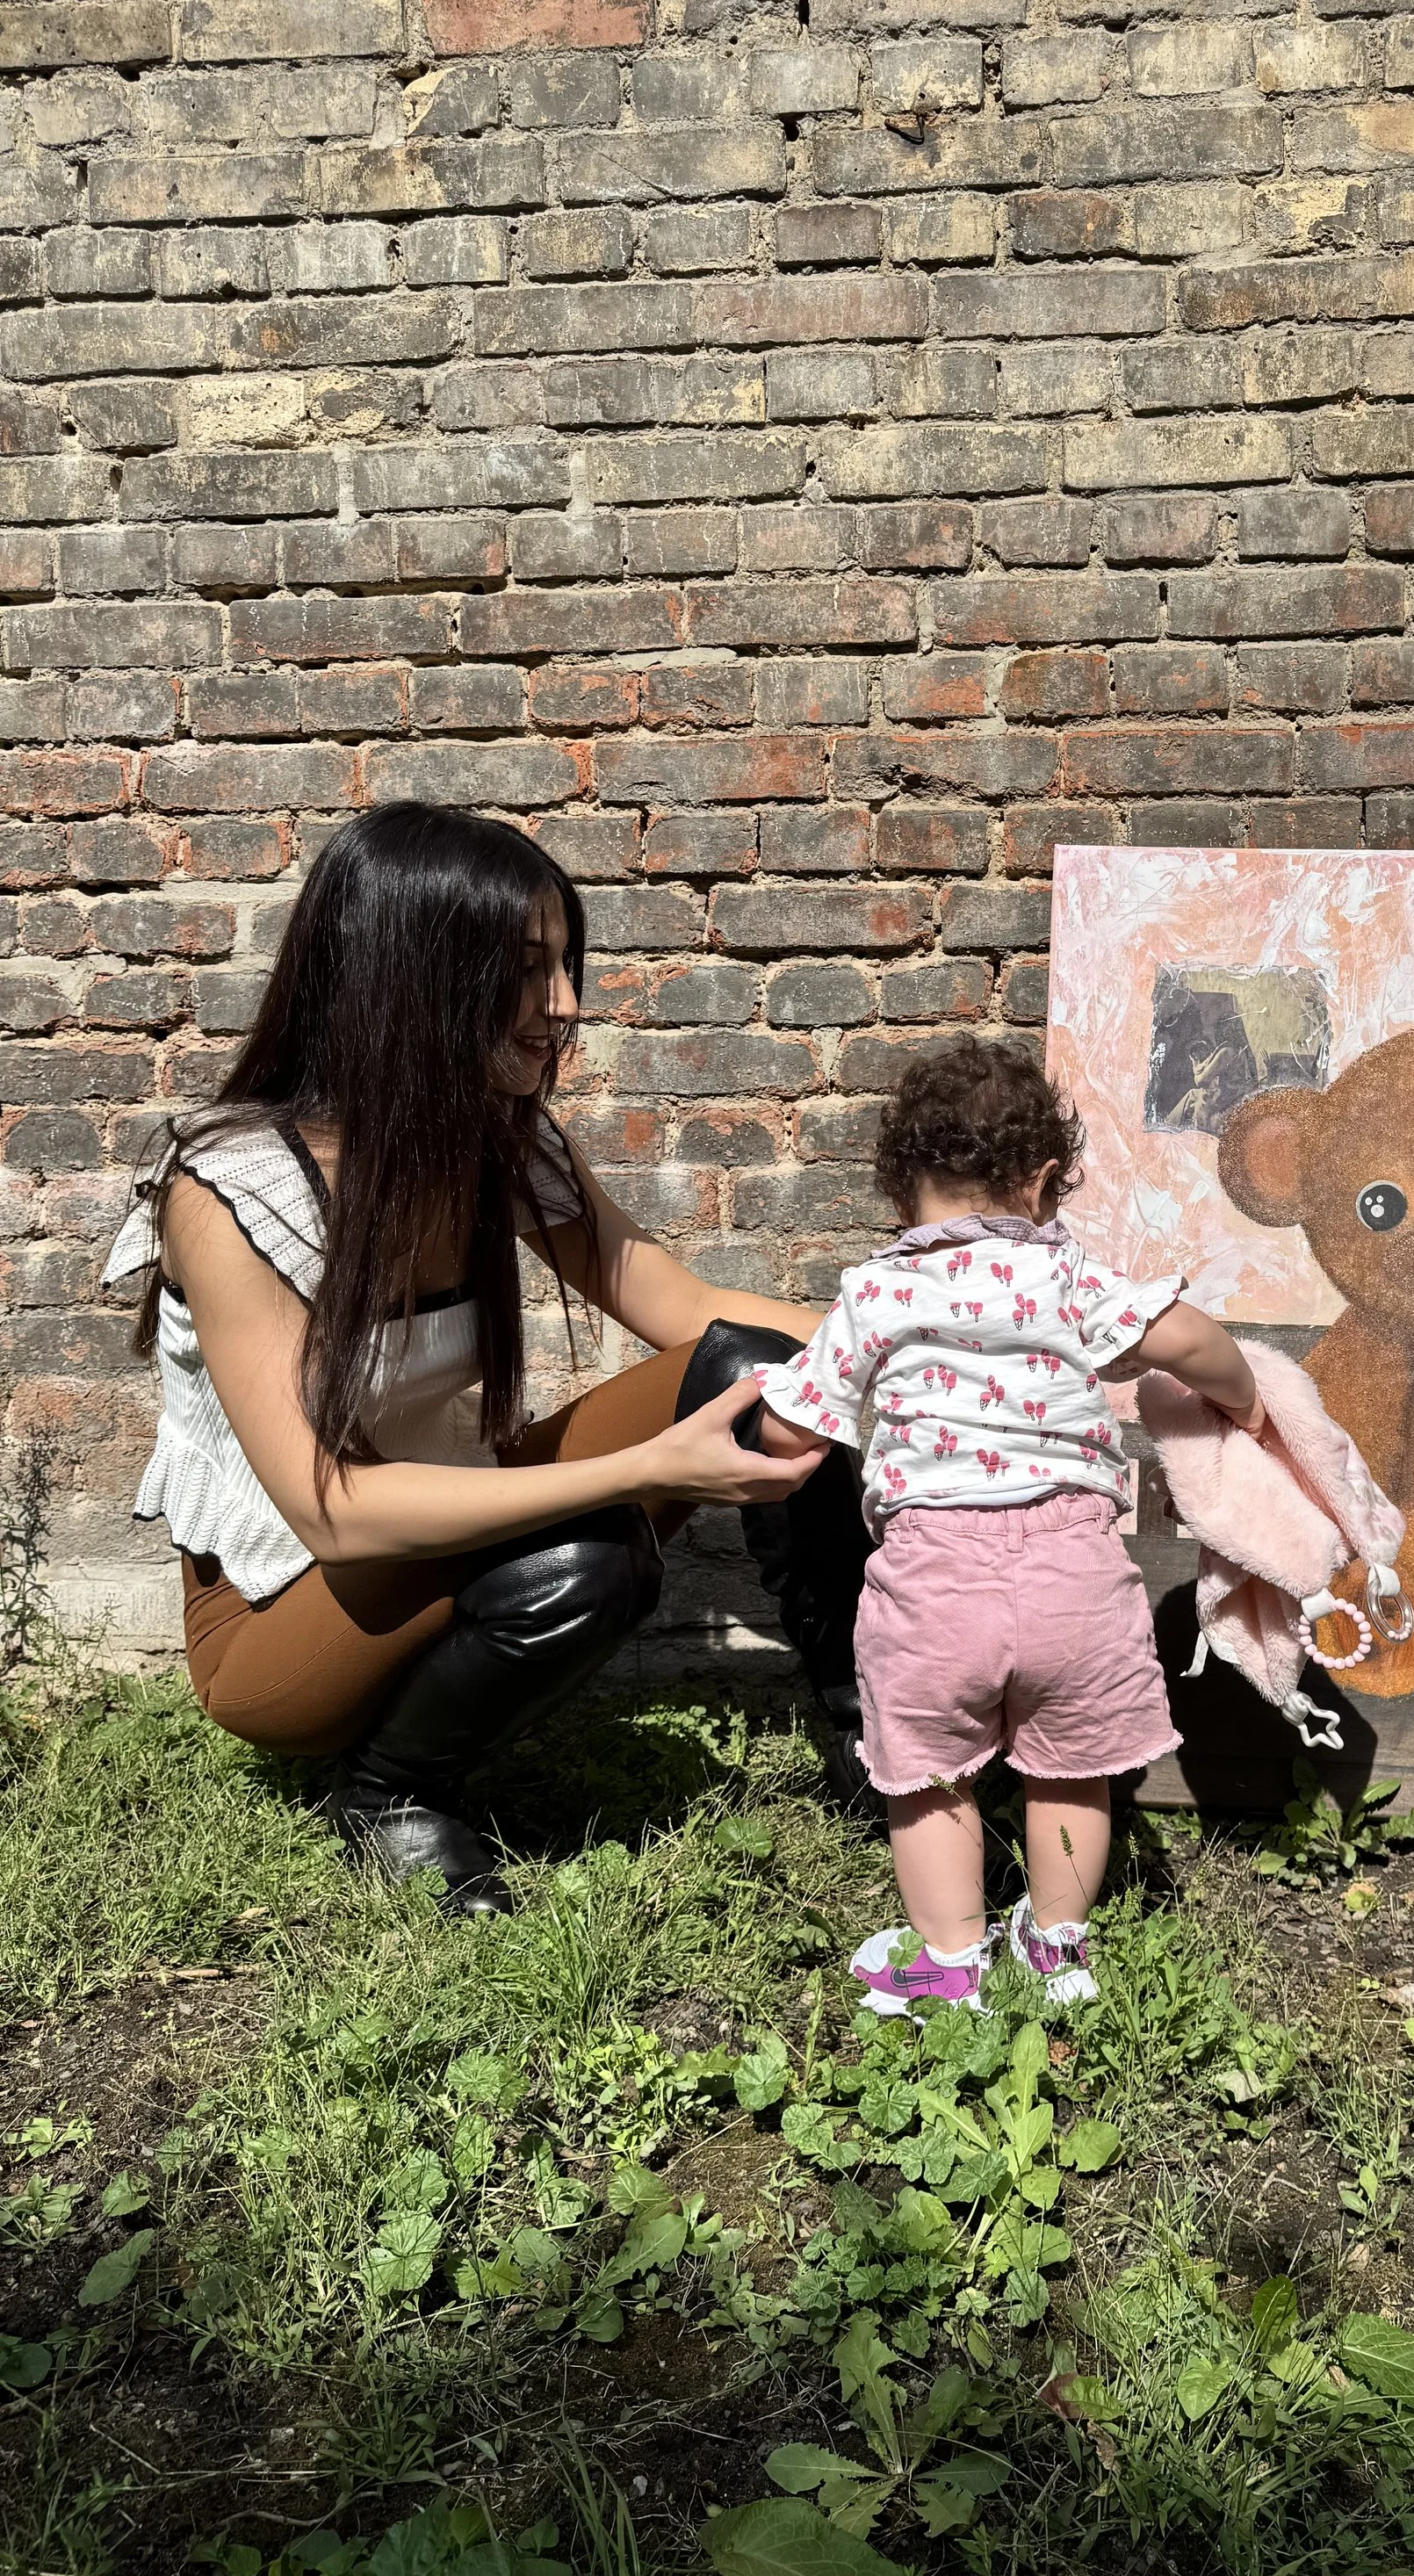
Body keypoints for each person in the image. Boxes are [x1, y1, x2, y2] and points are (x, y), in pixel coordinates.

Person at [101, 802, 875, 1917]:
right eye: (527, 969)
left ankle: (873, 1730)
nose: (566, 1005)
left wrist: (937, 1348)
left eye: (566, 965)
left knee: (762, 1364)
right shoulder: (230, 1186)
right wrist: (648, 1471)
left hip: (453, 1524)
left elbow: (691, 1309)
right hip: (284, 1621)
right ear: (412, 973)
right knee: (585, 1560)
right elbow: (335, 1513)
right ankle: (390, 1794)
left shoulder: (497, 1140)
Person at [750, 1038, 1263, 2012]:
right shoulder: (1066, 1278)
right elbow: (1191, 1341)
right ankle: (1056, 1949)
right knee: (1070, 1769)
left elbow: (789, 1427)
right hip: (1073, 1570)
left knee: (930, 1781)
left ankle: (948, 1963)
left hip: (933, 1577)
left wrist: (767, 1402)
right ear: (1038, 1181)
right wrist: (1246, 1402)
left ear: (901, 1190)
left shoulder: (876, 1291)